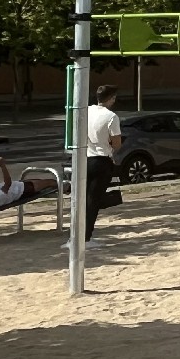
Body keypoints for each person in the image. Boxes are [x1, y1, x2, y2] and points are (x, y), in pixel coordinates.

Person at [80, 84, 122, 246]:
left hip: (85, 158)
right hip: (101, 159)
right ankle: (86, 237)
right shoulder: (111, 117)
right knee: (93, 200)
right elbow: (117, 143)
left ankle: (77, 234)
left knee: (83, 199)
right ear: (111, 98)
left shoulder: (87, 111)